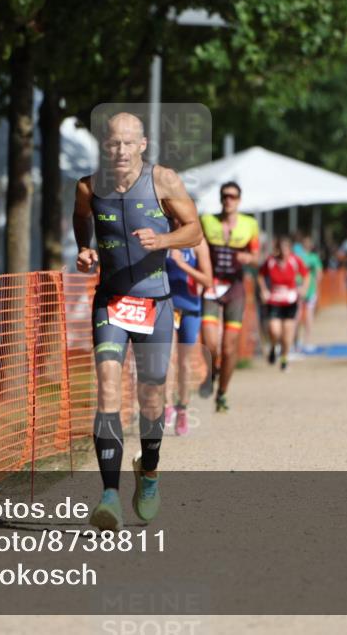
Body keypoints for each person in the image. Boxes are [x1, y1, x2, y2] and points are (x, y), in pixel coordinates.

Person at [72, 112, 202, 532]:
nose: (121, 151)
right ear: (103, 146)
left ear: (142, 145)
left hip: (155, 305)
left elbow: (195, 230)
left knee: (150, 399)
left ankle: (148, 472)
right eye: (113, 144)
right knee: (108, 385)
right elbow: (82, 219)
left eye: (129, 143)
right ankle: (108, 494)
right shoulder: (89, 186)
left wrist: (163, 239)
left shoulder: (162, 181)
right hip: (111, 302)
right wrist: (84, 247)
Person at [199, 182, 260, 413]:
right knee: (210, 343)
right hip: (211, 287)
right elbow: (198, 248)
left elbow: (256, 256)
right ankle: (211, 371)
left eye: (233, 196)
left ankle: (222, 392)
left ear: (239, 200)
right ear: (220, 198)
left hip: (235, 290)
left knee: (229, 347)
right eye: (225, 196)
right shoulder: (208, 221)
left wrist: (248, 258)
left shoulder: (249, 224)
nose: (228, 200)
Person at [163, 219, 213, 437]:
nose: (177, 218)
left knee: (184, 362)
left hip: (190, 308)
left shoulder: (198, 242)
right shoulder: (161, 238)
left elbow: (208, 280)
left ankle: (182, 409)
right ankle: (166, 407)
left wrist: (182, 265)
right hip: (166, 306)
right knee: (165, 357)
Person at [258, 236, 309, 370]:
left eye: (286, 248)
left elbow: (306, 275)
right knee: (275, 331)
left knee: (287, 334)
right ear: (277, 249)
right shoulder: (270, 261)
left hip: (290, 300)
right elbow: (261, 275)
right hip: (274, 299)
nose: (284, 252)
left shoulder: (295, 261)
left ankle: (284, 359)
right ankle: (274, 347)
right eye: (281, 249)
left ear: (290, 249)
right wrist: (264, 290)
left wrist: (303, 288)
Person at [295, 235, 324, 353]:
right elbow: (319, 275)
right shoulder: (300, 257)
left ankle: (303, 342)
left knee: (306, 316)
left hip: (308, 290)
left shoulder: (312, 258)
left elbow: (318, 274)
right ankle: (297, 342)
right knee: (298, 316)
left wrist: (316, 288)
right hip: (300, 289)